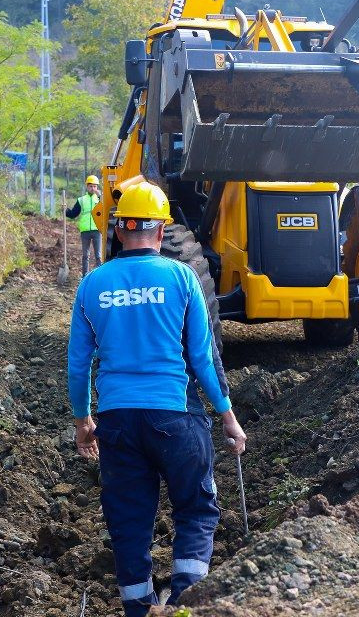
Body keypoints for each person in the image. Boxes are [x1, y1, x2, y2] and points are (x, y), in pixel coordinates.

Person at [66, 182, 247, 617]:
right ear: (162, 227)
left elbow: (77, 364)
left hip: (117, 422)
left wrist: (82, 421)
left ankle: (140, 607)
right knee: (196, 508)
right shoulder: (181, 277)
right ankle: (186, 601)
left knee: (128, 519)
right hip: (176, 417)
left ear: (119, 227)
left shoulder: (93, 285)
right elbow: (203, 357)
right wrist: (227, 415)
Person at [65, 175, 102, 276]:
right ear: (87, 186)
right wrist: (65, 210)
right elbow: (73, 214)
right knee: (85, 255)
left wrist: (100, 197)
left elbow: (106, 209)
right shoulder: (81, 200)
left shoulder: (100, 199)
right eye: (91, 186)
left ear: (97, 187)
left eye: (95, 186)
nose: (93, 188)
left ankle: (100, 275)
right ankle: (84, 275)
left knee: (98, 255)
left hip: (97, 229)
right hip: (85, 230)